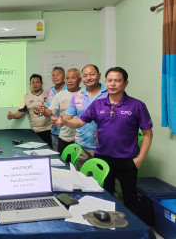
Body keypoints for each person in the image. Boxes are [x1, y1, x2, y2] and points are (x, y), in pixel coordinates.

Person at [61, 67, 153, 213]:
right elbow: (79, 122)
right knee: (104, 197)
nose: (112, 84)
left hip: (127, 160)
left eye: (117, 80)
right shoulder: (97, 105)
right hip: (103, 159)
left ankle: (130, 232)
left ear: (125, 83)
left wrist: (140, 159)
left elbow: (147, 134)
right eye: (109, 80)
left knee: (129, 199)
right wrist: (65, 122)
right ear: (105, 82)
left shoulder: (137, 105)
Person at [62, 64, 108, 170]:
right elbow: (67, 118)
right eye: (85, 75)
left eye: (92, 74)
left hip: (105, 148)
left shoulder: (109, 93)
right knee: (81, 181)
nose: (88, 78)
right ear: (81, 78)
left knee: (104, 182)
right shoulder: (77, 96)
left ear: (99, 75)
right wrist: (60, 120)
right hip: (82, 146)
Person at [40, 68, 81, 154]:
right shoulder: (60, 95)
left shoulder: (84, 94)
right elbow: (49, 112)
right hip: (65, 137)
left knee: (80, 166)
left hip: (81, 139)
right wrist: (43, 110)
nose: (70, 81)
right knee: (64, 164)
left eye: (73, 78)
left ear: (80, 80)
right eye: (68, 78)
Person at [7, 74, 52, 148]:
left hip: (48, 130)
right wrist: (13, 115)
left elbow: (52, 110)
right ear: (30, 84)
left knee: (49, 153)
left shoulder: (49, 94)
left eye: (37, 82)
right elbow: (21, 112)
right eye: (33, 83)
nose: (35, 84)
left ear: (42, 83)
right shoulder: (26, 97)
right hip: (35, 131)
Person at [46, 67, 67, 151]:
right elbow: (48, 109)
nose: (55, 77)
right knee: (56, 157)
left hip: (68, 131)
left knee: (68, 159)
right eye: (53, 75)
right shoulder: (50, 91)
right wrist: (42, 110)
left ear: (64, 76)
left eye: (58, 75)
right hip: (54, 130)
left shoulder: (70, 89)